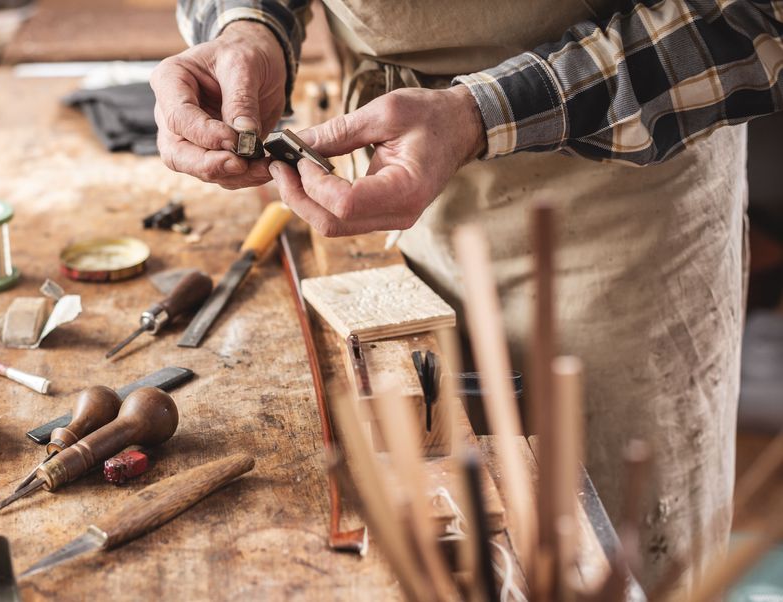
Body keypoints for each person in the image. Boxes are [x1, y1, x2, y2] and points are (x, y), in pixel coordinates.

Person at [151, 0, 780, 591]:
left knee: (611, 552)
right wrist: (247, 25)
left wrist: (479, 112)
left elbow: (755, 17)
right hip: (394, 177)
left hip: (618, 211)